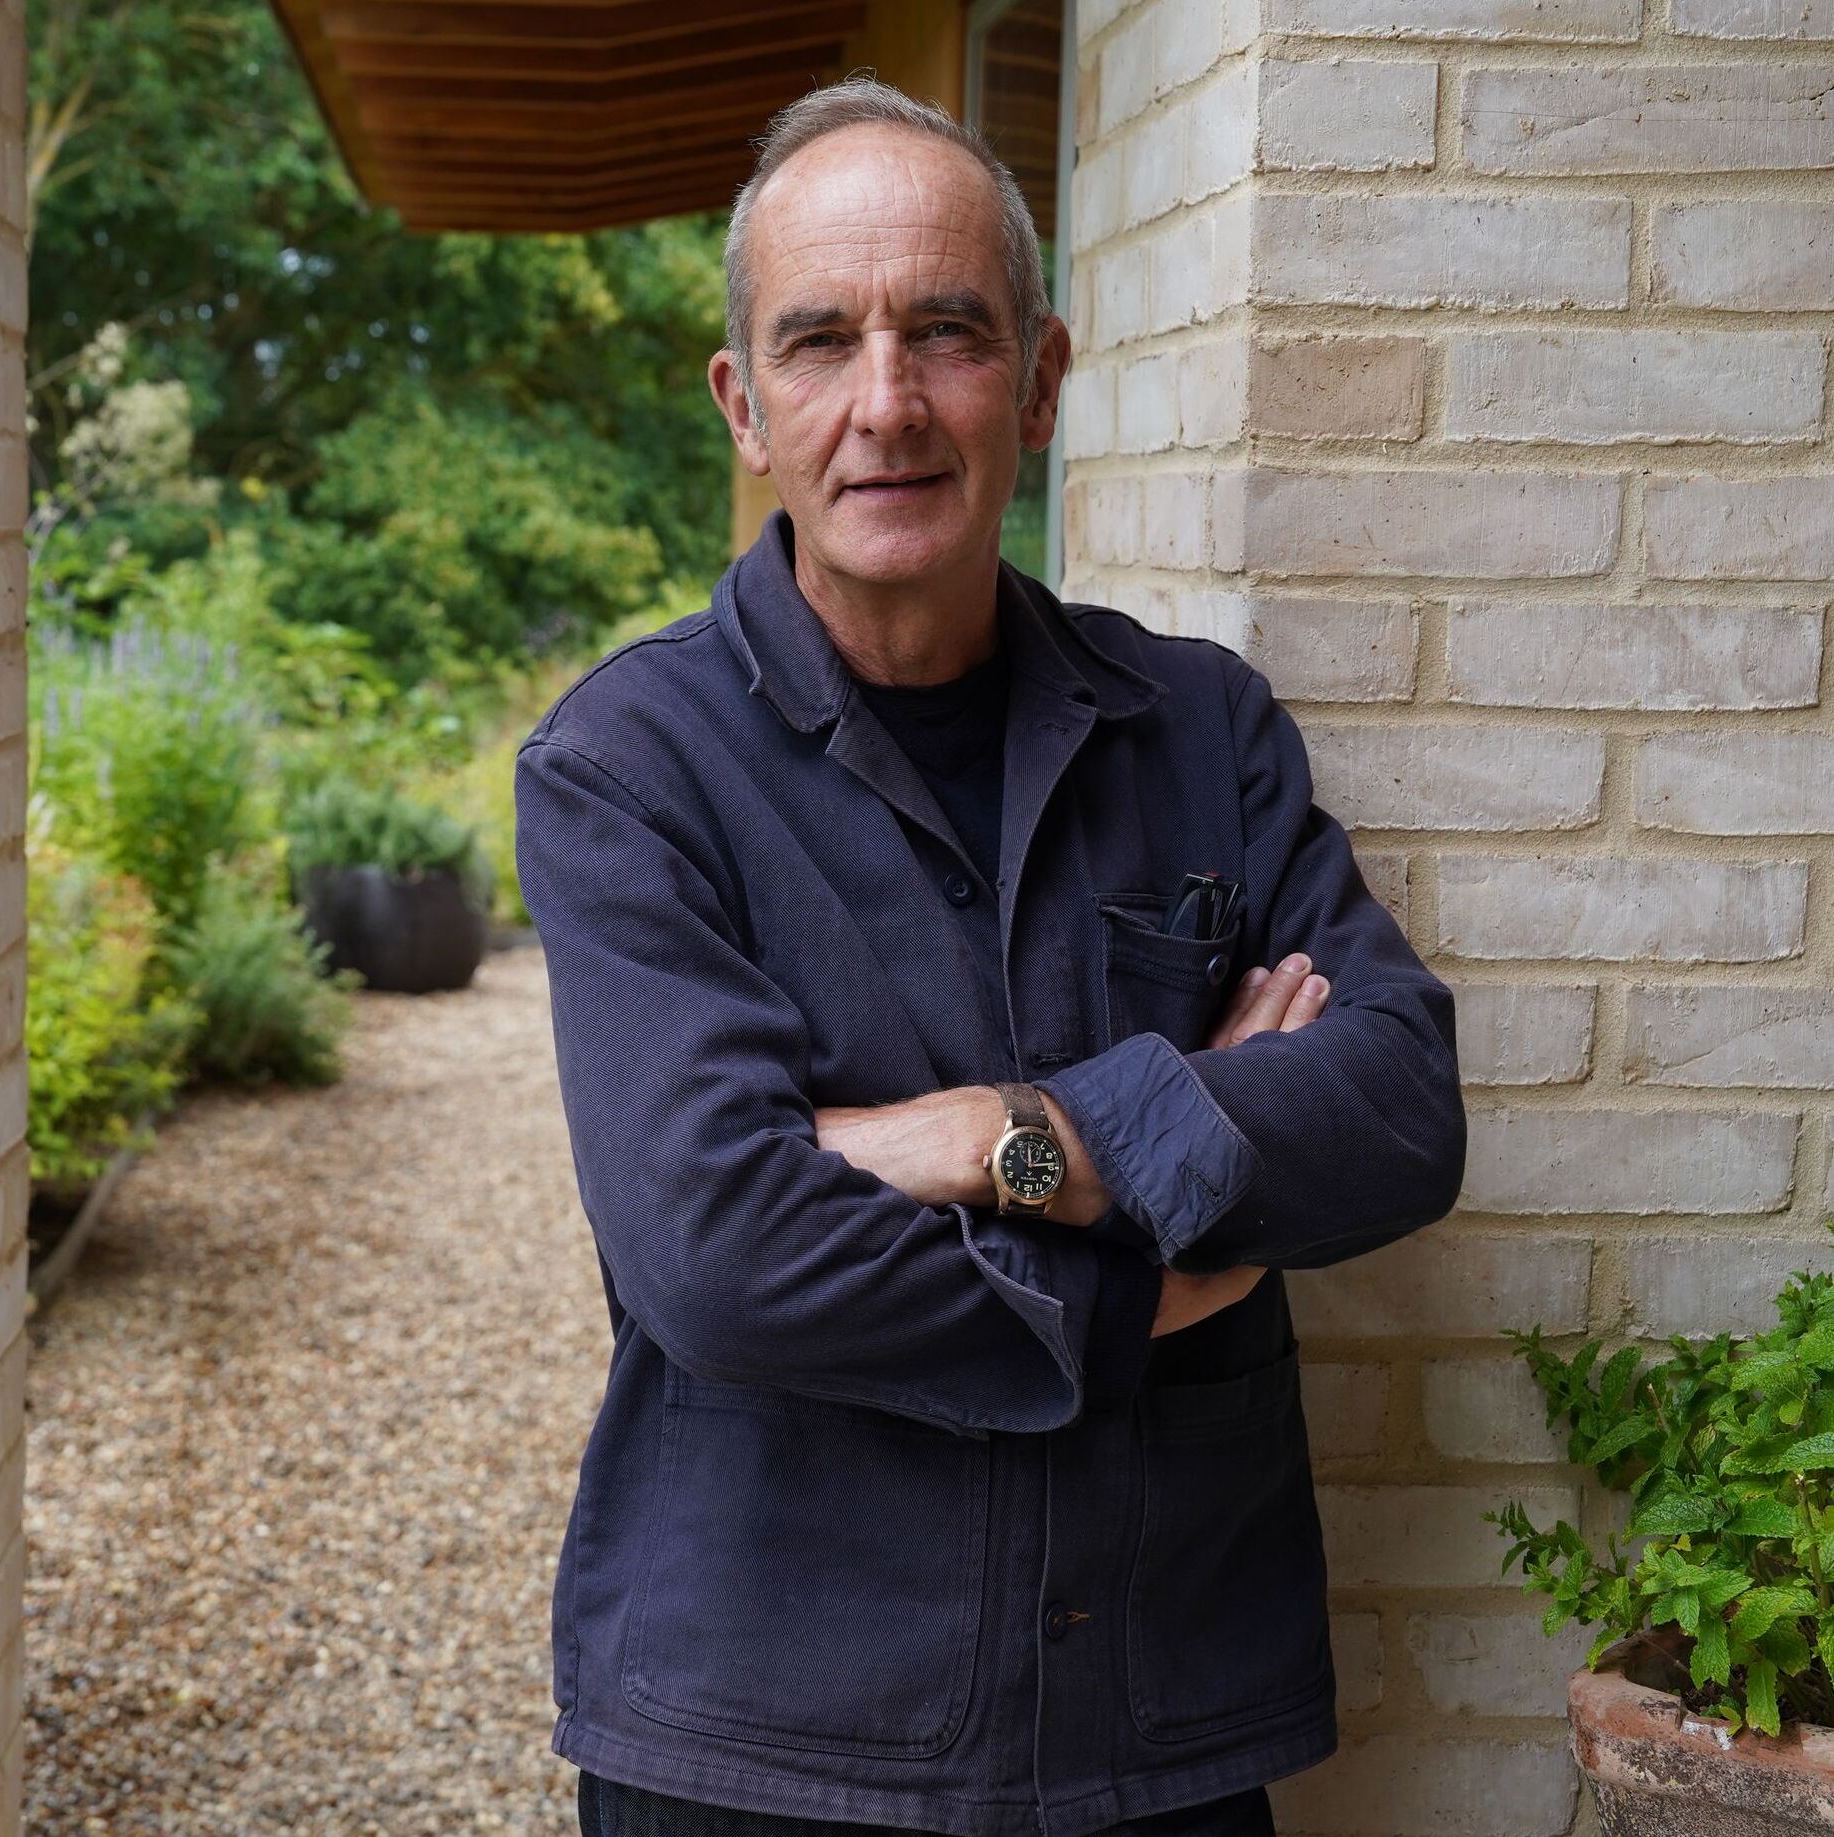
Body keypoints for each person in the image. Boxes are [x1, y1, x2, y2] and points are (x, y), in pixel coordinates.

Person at [513, 75, 1468, 1837]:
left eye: (946, 332)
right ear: (745, 406)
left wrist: (987, 1134)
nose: (886, 403)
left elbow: (1400, 1104)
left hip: (1154, 1729)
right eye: (821, 341)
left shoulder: (1200, 729)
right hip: (765, 1737)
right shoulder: (628, 768)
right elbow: (716, 1248)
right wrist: (1164, 1236)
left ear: (1039, 379)